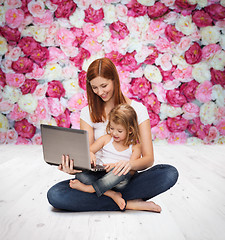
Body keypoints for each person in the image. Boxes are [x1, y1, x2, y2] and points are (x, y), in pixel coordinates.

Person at [47, 57, 179, 212]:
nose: (100, 92)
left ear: (115, 80)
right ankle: (127, 202)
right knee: (55, 195)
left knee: (169, 173)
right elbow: (88, 154)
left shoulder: (138, 110)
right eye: (94, 88)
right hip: (95, 176)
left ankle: (105, 195)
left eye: (104, 85)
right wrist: (73, 167)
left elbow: (148, 159)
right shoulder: (87, 113)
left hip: (124, 176)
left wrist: (128, 165)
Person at [70, 104, 160, 212]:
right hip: (100, 175)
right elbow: (87, 152)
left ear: (130, 130)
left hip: (117, 180)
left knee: (123, 172)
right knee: (80, 174)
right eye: (112, 128)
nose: (114, 133)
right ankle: (111, 194)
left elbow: (131, 171)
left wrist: (117, 167)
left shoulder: (135, 147)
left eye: (119, 131)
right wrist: (91, 154)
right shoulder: (106, 139)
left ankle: (89, 189)